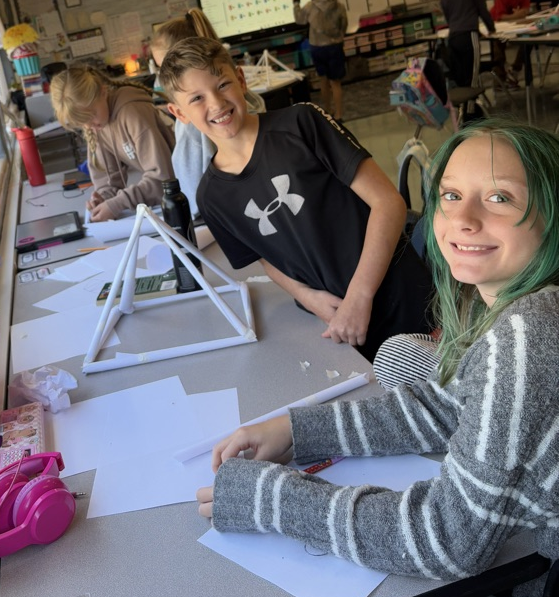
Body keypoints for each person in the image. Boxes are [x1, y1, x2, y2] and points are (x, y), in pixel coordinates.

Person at [196, 119, 559, 597]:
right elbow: (445, 406)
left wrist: (271, 499)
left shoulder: (531, 334)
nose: (464, 219)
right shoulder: (501, 302)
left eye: (500, 198)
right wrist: (297, 430)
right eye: (451, 195)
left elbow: (447, 542)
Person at [158, 37, 432, 362]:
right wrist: (309, 298)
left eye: (222, 85)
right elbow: (266, 258)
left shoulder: (302, 124)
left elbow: (389, 203)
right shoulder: (212, 196)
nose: (216, 104)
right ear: (179, 113)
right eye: (197, 98)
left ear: (241, 80)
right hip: (337, 322)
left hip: (404, 301)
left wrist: (360, 296)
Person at [150, 8, 265, 217]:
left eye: (165, 65)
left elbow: (192, 197)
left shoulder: (192, 127)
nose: (164, 76)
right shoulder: (250, 104)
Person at [50, 64, 174, 222]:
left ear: (103, 92)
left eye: (91, 115)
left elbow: (164, 180)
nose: (88, 126)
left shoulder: (133, 113)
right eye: (82, 122)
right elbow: (108, 179)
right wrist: (103, 198)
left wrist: (119, 203)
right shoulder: (98, 123)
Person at [440, 0, 495, 121]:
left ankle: (465, 109)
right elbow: (482, 12)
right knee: (472, 74)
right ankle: (471, 114)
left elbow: (450, 17)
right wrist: (491, 29)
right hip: (469, 36)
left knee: (461, 76)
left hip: (454, 37)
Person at [292, 0, 348, 122]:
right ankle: (339, 114)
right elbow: (344, 26)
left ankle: (327, 111)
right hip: (335, 46)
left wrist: (296, 3)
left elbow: (299, 19)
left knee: (323, 79)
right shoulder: (339, 7)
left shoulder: (311, 6)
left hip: (317, 47)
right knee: (335, 82)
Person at [490, 0, 531, 86]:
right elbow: (500, 16)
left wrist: (520, 14)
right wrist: (515, 15)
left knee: (527, 41)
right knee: (498, 46)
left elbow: (525, 8)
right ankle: (499, 78)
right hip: (498, 24)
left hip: (514, 23)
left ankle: (515, 69)